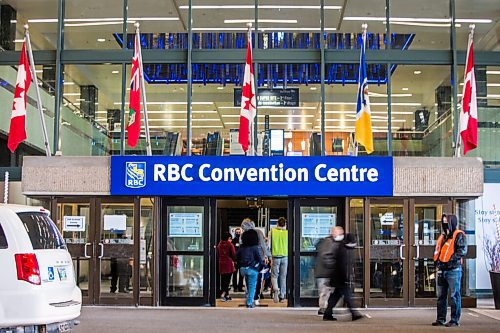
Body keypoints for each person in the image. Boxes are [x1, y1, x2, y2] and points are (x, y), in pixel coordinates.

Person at [432, 214, 467, 327]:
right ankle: (440, 319)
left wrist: (450, 261)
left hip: (453, 270)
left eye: (447, 221)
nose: (445, 223)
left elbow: (462, 251)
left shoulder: (459, 235)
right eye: (443, 221)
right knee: (441, 296)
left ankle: (454, 320)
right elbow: (439, 252)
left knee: (454, 296)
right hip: (442, 269)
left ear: (452, 222)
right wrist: (438, 264)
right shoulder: (443, 236)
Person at [323, 227, 363, 322]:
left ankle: (327, 313)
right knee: (347, 296)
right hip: (341, 277)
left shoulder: (343, 247)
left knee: (335, 296)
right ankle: (354, 313)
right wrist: (346, 277)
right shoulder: (344, 249)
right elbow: (343, 265)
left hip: (338, 277)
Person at [241, 218, 270, 305]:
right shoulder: (258, 232)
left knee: (250, 279)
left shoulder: (245, 234)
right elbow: (263, 246)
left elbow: (242, 246)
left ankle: (253, 297)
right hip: (258, 258)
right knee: (257, 278)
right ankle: (255, 297)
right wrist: (266, 256)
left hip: (249, 259)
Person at [236, 228, 264, 308]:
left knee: (248, 284)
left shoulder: (241, 247)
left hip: (242, 269)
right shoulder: (255, 247)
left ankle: (249, 298)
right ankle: (249, 303)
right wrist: (263, 266)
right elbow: (259, 259)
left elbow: (236, 256)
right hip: (252, 269)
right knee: (252, 286)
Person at [314, 227, 336, 315]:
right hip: (325, 271)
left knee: (326, 291)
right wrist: (332, 266)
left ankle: (325, 308)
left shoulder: (328, 242)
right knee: (324, 291)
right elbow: (326, 256)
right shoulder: (329, 242)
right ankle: (323, 308)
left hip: (324, 271)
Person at [269, 217, 288, 303]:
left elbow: (268, 244)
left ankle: (276, 289)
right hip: (285, 256)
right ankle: (282, 296)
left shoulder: (272, 231)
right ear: (285, 224)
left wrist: (268, 256)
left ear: (277, 224)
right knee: (283, 277)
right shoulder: (287, 232)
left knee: (274, 275)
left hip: (275, 256)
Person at [217, 232, 236, 302]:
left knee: (223, 280)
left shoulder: (219, 244)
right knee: (227, 281)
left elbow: (218, 254)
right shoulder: (230, 245)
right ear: (229, 238)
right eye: (230, 238)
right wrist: (235, 260)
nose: (231, 240)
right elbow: (233, 254)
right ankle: (223, 294)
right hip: (228, 264)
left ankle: (227, 295)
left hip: (221, 263)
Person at [231, 227, 244, 292]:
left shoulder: (243, 241)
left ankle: (240, 287)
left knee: (241, 275)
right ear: (235, 233)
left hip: (242, 260)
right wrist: (234, 260)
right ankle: (235, 287)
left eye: (239, 232)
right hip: (235, 260)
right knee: (235, 274)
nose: (238, 233)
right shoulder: (233, 241)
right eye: (237, 233)